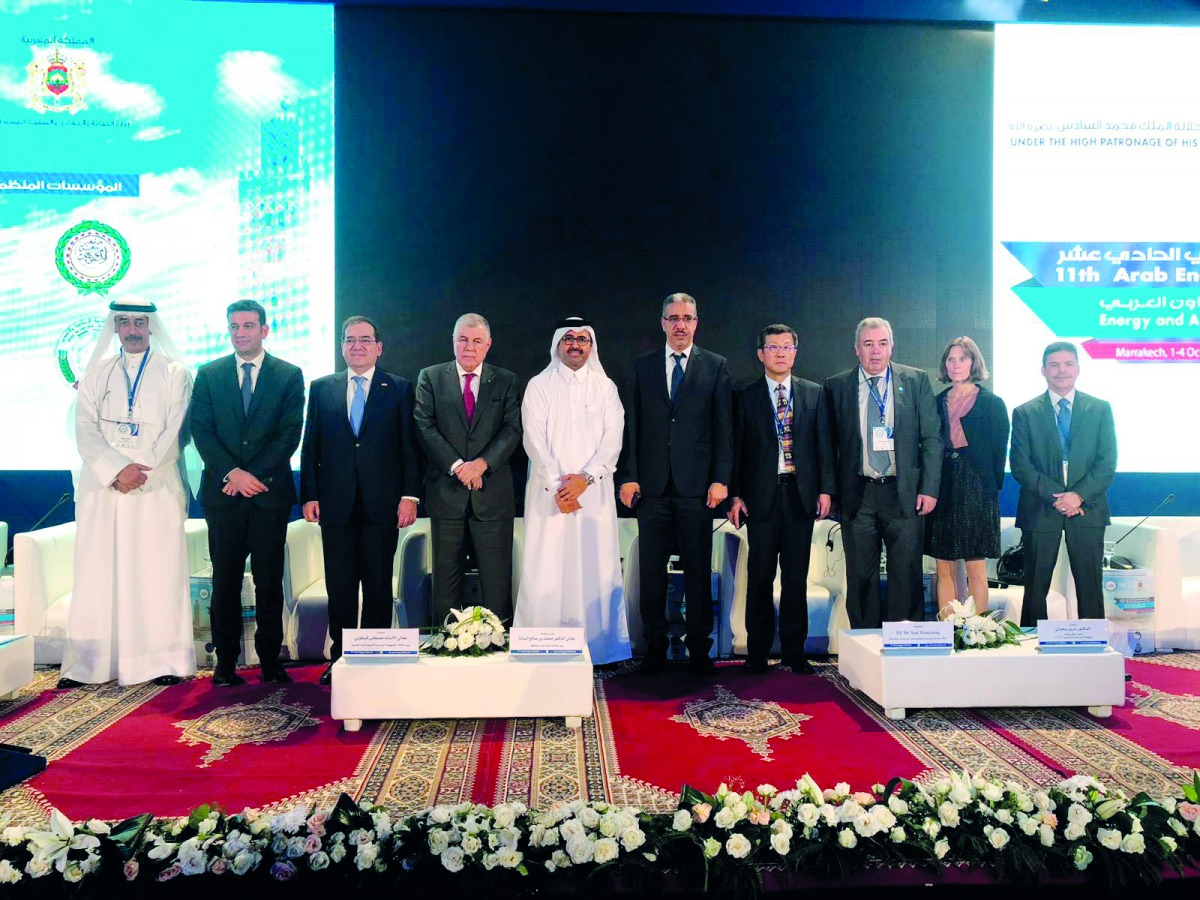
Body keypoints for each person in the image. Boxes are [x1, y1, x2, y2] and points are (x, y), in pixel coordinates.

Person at [59, 298, 195, 688]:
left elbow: (177, 431)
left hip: (156, 487)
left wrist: (140, 471)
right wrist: (116, 470)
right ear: (115, 327)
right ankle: (91, 665)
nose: (133, 329)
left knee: (156, 573)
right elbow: (85, 429)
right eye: (125, 322)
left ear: (151, 326)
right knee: (98, 572)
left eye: (140, 322)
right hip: (105, 491)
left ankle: (161, 662)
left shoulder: (176, 374)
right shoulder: (96, 374)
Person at [300, 316, 422, 685]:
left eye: (365, 340)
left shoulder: (398, 388)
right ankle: (340, 659)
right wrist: (309, 494)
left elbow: (409, 448)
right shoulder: (321, 388)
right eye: (350, 340)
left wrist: (409, 496)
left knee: (377, 585)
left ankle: (374, 655)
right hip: (335, 504)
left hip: (382, 504)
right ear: (341, 346)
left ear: (379, 347)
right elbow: (311, 446)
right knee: (340, 586)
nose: (357, 346)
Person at [189, 300, 304, 686]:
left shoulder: (289, 375)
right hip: (224, 496)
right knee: (225, 580)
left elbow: (290, 433)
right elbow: (202, 431)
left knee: (269, 581)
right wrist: (233, 473)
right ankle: (225, 663)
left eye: (249, 326)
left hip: (268, 496)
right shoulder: (208, 374)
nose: (241, 333)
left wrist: (253, 475)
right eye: (235, 326)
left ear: (264, 330)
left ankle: (271, 660)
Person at [618, 292, 732, 676]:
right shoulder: (640, 367)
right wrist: (629, 474)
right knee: (651, 571)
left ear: (696, 323)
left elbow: (723, 429)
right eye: (673, 318)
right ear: (663, 323)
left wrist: (721, 480)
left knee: (698, 570)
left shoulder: (716, 366)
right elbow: (631, 427)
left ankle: (700, 647)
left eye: (687, 317)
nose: (680, 324)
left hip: (698, 488)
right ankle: (654, 645)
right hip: (650, 488)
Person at [514, 317, 631, 665]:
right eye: (568, 339)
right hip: (548, 496)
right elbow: (532, 438)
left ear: (591, 346)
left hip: (592, 495)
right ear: (557, 345)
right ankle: (541, 646)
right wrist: (558, 486)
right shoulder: (539, 385)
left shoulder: (605, 387)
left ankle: (598, 648)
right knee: (546, 567)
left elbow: (614, 439)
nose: (575, 345)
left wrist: (585, 479)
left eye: (582, 339)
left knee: (594, 564)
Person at [820, 316, 941, 628]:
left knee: (906, 572)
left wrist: (929, 487)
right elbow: (827, 445)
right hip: (857, 493)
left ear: (892, 346)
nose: (876, 351)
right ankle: (865, 644)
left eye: (882, 343)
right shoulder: (836, 386)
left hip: (904, 492)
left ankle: (906, 642)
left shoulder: (915, 381)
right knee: (861, 575)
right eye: (868, 344)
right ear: (856, 350)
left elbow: (931, 438)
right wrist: (830, 492)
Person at [728, 325, 831, 675]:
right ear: (761, 354)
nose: (781, 353)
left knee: (796, 578)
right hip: (761, 497)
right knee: (759, 576)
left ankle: (793, 651)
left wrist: (825, 490)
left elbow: (823, 448)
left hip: (800, 495)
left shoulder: (815, 394)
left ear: (795, 352)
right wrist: (736, 494)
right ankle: (757, 651)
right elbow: (735, 450)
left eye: (787, 347)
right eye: (773, 347)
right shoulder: (744, 394)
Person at [414, 313, 522, 627]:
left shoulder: (506, 380)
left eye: (476, 341)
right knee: (445, 583)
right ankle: (445, 645)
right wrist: (460, 466)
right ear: (453, 342)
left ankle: (500, 646)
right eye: (463, 339)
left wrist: (482, 464)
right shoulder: (430, 377)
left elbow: (512, 429)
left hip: (492, 495)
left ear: (488, 345)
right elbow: (424, 427)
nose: (469, 347)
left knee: (496, 581)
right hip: (447, 494)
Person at [1010, 341, 1117, 625]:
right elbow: (1020, 466)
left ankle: (1094, 653)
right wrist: (1059, 497)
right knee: (1035, 587)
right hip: (1041, 509)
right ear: (1043, 370)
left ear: (1078, 369)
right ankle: (1030, 650)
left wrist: (1078, 496)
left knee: (1091, 587)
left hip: (1087, 509)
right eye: (1054, 365)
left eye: (1068, 364)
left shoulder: (1100, 409)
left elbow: (1107, 463)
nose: (1062, 370)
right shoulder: (1025, 412)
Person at [924, 337, 1009, 617]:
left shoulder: (992, 403)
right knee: (944, 565)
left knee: (975, 567)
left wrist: (988, 488)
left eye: (963, 359)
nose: (956, 364)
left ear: (974, 363)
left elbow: (999, 452)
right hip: (943, 483)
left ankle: (978, 632)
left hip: (977, 487)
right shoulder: (935, 402)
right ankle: (949, 631)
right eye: (951, 359)